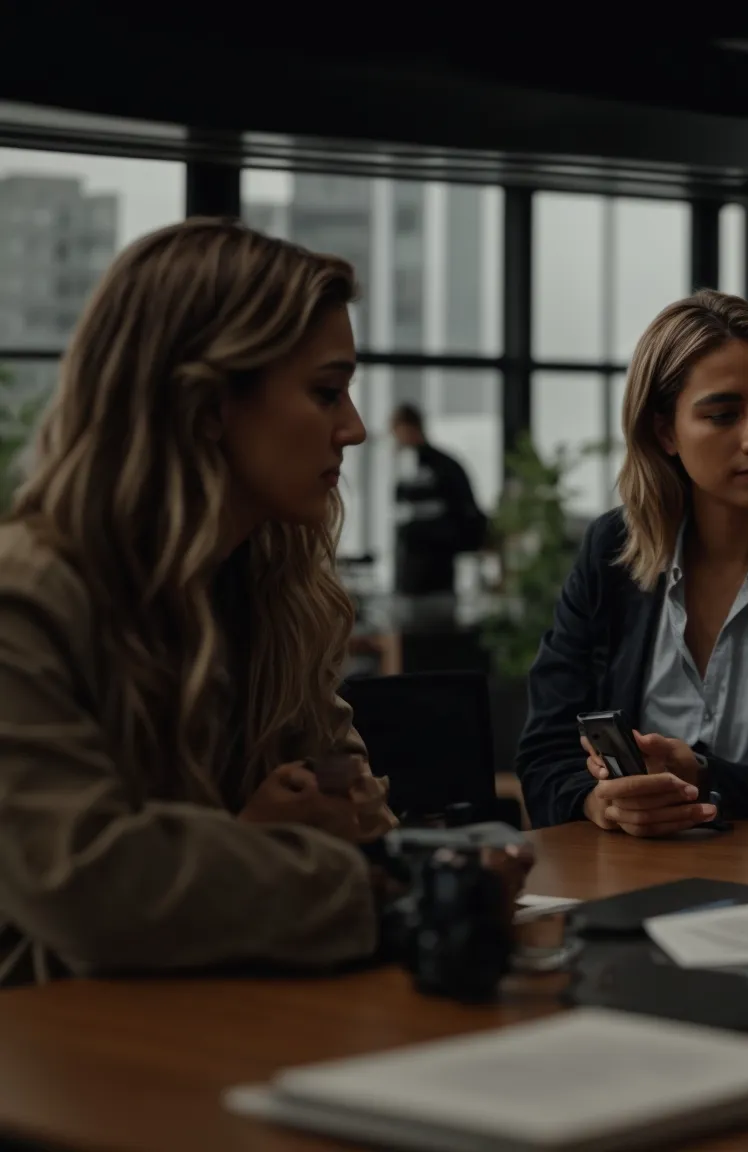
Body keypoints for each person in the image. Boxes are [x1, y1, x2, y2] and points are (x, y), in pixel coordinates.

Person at [0, 218, 529, 988]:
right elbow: (89, 886)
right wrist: (329, 866)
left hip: (215, 1021)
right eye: (325, 391)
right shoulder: (25, 599)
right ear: (210, 402)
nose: (352, 428)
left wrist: (405, 866)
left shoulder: (271, 588)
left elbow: (359, 817)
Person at [516, 290, 748, 835]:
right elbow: (544, 754)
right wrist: (601, 803)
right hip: (621, 869)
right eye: (723, 415)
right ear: (665, 432)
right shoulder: (610, 553)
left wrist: (699, 776)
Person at [390, 402, 485, 596]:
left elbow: (464, 511)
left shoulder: (441, 468)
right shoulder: (409, 465)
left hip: (435, 566)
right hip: (413, 566)